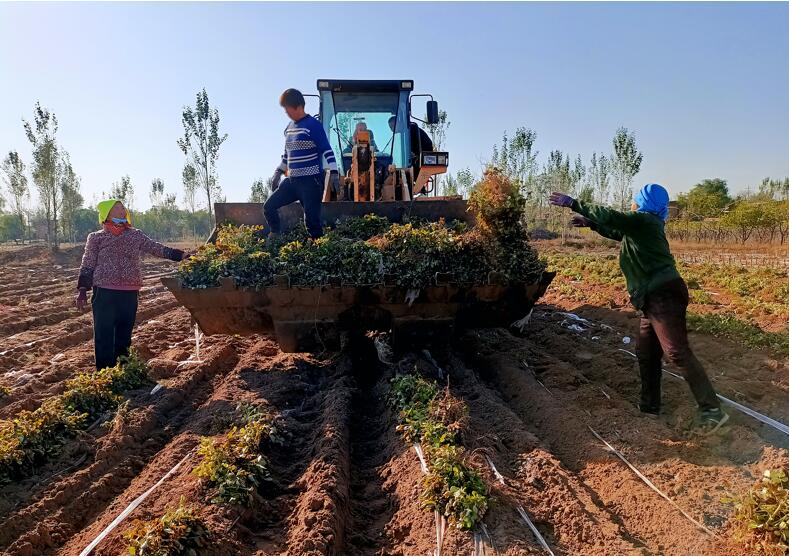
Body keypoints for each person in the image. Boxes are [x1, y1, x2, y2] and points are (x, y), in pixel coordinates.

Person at [549, 184, 729, 431]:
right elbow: (618, 231)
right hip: (651, 298)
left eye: (636, 200)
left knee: (677, 352)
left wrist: (573, 203)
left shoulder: (645, 220)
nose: (632, 203)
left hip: (663, 295)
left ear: (645, 202)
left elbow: (613, 217)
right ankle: (649, 407)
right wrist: (591, 224)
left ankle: (712, 410)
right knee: (646, 353)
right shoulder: (643, 225)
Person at [76, 199, 189, 371]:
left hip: (129, 292)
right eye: (117, 208)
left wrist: (180, 255)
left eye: (123, 208)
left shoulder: (135, 235)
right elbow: (88, 262)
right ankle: (104, 374)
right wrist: (83, 289)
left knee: (124, 335)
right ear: (107, 214)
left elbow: (155, 248)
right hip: (104, 292)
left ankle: (124, 371)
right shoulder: (96, 238)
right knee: (103, 334)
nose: (122, 211)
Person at [265, 88, 340, 239]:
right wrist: (278, 172)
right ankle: (275, 235)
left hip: (311, 182)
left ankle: (318, 245)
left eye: (287, 108)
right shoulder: (289, 128)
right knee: (269, 206)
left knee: (311, 222)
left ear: (298, 106)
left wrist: (334, 173)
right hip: (292, 182)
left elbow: (327, 150)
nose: (286, 112)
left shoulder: (313, 125)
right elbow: (287, 156)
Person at [388, 116, 434, 192]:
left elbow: (418, 144)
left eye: (393, 126)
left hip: (424, 152)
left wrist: (415, 154)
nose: (392, 129)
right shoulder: (405, 132)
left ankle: (419, 187)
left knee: (409, 167)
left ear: (399, 123)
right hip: (417, 154)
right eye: (390, 127)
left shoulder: (411, 129)